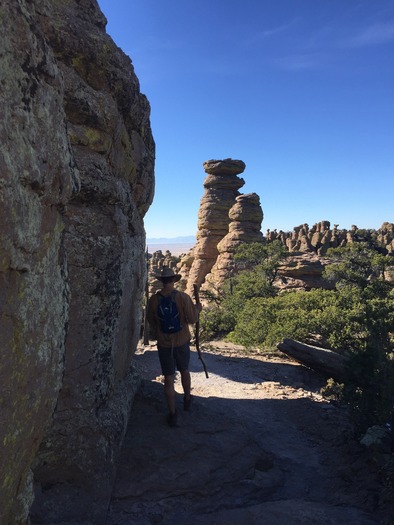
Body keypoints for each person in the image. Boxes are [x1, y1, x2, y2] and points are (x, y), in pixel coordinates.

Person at [147, 267, 202, 427]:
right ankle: (186, 399)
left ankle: (172, 413)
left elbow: (151, 320)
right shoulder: (183, 297)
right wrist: (197, 310)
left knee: (169, 378)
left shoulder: (153, 300)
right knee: (184, 370)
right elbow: (192, 319)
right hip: (182, 340)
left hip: (164, 344)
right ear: (173, 280)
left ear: (162, 281)